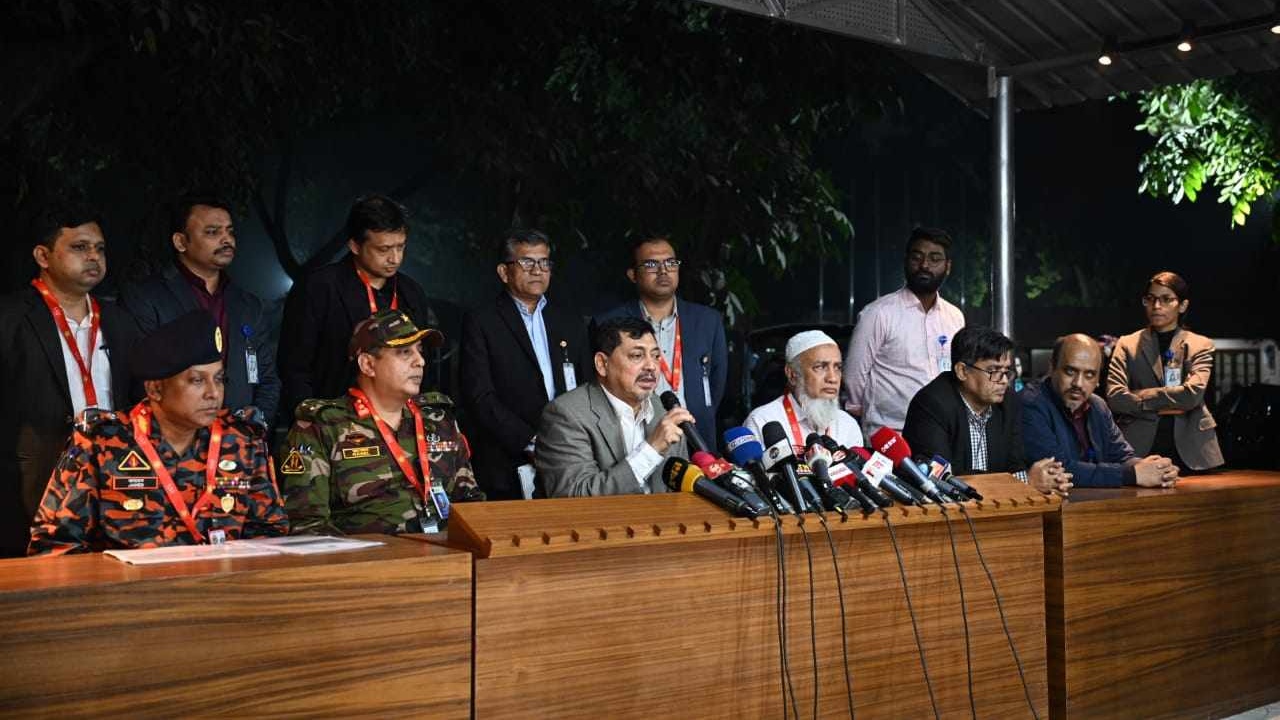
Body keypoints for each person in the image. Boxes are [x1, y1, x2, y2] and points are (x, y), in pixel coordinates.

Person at [28, 310, 288, 556]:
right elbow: (55, 546)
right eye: (197, 380)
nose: (213, 393)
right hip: (131, 587)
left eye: (219, 379)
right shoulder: (101, 443)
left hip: (223, 585)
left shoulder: (242, 440)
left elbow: (270, 535)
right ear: (155, 390)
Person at [0, 206, 142, 557]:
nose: (94, 256)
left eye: (100, 248)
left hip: (111, 476)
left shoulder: (120, 321)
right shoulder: (10, 318)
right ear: (42, 256)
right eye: (80, 247)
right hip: (34, 479)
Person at [279, 309, 482, 536]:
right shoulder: (322, 426)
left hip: (447, 552)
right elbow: (306, 526)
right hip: (366, 556)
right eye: (405, 352)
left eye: (420, 351)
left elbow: (472, 505)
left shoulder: (439, 419)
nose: (420, 361)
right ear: (368, 364)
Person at [120, 194, 280, 423]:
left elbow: (267, 378)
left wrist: (257, 419)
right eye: (212, 232)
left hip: (239, 436)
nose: (226, 239)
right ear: (181, 242)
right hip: (174, 435)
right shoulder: (147, 297)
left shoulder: (249, 305)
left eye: (230, 231)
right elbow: (138, 378)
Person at [459, 229, 592, 500]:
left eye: (544, 262)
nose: (537, 270)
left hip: (570, 454)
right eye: (527, 262)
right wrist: (531, 442)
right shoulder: (482, 320)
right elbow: (479, 395)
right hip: (507, 459)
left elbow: (587, 385)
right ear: (503, 272)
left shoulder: (570, 320)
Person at [278, 194, 435, 421]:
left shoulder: (411, 293)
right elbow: (294, 368)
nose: (395, 258)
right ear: (354, 245)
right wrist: (312, 421)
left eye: (400, 247)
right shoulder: (318, 288)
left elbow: (423, 364)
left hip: (398, 421)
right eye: (383, 249)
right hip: (333, 421)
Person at [903, 326, 1070, 496]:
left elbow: (1014, 465)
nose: (1004, 381)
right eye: (993, 371)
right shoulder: (931, 404)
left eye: (1006, 371)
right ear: (962, 371)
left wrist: (1050, 480)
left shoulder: (1008, 402)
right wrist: (1025, 481)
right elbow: (942, 478)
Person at [537, 317, 691, 497]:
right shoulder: (566, 414)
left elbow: (681, 490)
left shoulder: (663, 409)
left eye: (656, 356)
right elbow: (574, 497)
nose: (651, 366)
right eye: (637, 356)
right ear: (602, 364)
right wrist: (651, 450)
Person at [595, 235, 727, 442]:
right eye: (651, 264)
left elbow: (717, 383)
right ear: (633, 274)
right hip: (634, 439)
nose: (663, 270)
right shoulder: (609, 322)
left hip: (696, 438)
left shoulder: (707, 320)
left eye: (670, 263)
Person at [843, 227, 966, 438]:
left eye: (934, 258)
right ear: (906, 261)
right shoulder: (878, 313)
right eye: (917, 257)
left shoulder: (955, 317)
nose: (924, 265)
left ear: (948, 267)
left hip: (942, 433)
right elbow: (854, 375)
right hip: (889, 436)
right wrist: (865, 414)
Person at [1019, 333, 1179, 488]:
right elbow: (1058, 470)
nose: (1078, 383)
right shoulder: (1030, 404)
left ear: (1097, 380)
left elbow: (1122, 456)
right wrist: (1133, 474)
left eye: (1089, 375)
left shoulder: (1098, 405)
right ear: (1052, 367)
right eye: (1070, 371)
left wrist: (1156, 469)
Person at [1106, 271, 1224, 473]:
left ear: (1183, 305)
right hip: (1138, 446)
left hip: (1193, 449)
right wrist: (1171, 401)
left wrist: (1142, 396)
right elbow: (1115, 398)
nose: (1156, 306)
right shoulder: (1127, 344)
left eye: (1166, 299)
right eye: (1150, 299)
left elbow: (1192, 396)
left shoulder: (1200, 344)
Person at [744, 330, 864, 452]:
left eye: (837, 367)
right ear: (792, 374)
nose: (833, 378)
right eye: (820, 367)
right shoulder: (762, 420)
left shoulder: (848, 425)